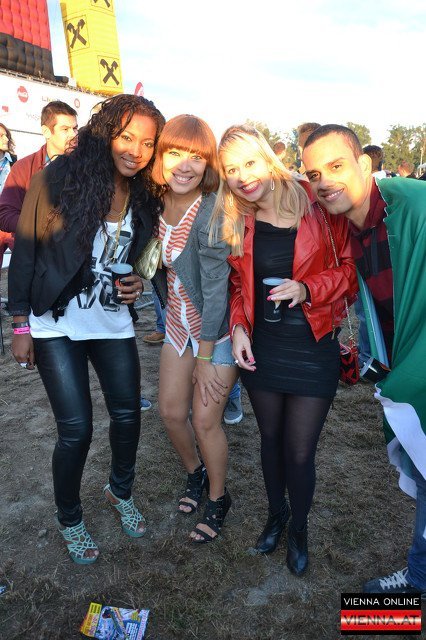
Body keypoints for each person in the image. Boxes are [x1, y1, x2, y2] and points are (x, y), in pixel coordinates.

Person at [8, 94, 165, 564]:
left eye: (148, 143)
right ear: (105, 134)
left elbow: (139, 256)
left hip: (112, 322)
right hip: (55, 323)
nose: (136, 150)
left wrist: (138, 282)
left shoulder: (144, 193)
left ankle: (120, 491)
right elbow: (27, 248)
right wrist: (20, 323)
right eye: (127, 137)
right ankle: (70, 517)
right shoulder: (58, 177)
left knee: (128, 416)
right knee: (76, 430)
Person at [209, 124, 357, 574]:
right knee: (270, 441)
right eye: (231, 169)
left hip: (314, 345)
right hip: (264, 348)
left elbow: (350, 273)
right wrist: (238, 327)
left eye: (249, 163)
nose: (242, 177)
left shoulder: (318, 204)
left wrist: (308, 288)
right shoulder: (238, 218)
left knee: (299, 452)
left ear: (267, 159)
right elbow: (240, 286)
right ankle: (276, 516)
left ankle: (299, 530)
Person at [302, 124, 426, 595]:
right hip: (403, 360)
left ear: (365, 164)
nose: (324, 181)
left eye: (336, 166)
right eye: (314, 174)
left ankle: (413, 586)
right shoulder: (345, 225)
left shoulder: (413, 206)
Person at [151, 114, 237, 543]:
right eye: (174, 153)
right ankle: (195, 472)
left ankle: (219, 498)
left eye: (196, 157)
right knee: (170, 413)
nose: (184, 165)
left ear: (208, 164)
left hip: (216, 331)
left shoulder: (211, 210)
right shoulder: (153, 201)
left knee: (204, 421)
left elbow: (217, 290)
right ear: (160, 156)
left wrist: (205, 356)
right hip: (177, 323)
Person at [0, 101, 78, 234]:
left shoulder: (86, 167)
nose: (73, 134)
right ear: (46, 132)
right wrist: (40, 229)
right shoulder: (24, 167)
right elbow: (5, 214)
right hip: (33, 245)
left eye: (75, 128)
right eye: (65, 129)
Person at [0, 123, 16, 301]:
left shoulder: (15, 161)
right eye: (1, 136)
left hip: (11, 223)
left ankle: (19, 305)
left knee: (22, 262)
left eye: (6, 135)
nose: (5, 139)